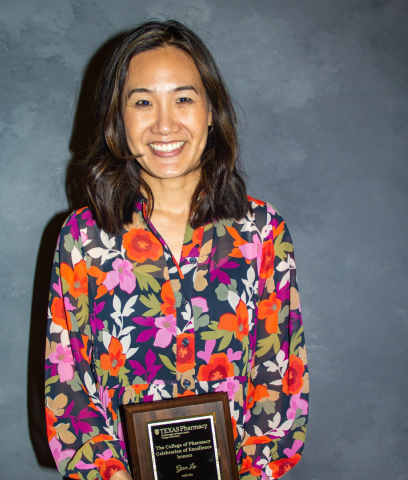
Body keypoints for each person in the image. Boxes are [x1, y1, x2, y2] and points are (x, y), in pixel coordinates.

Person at [45, 20, 308, 480]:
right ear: (118, 119)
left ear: (211, 111)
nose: (164, 124)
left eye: (183, 98)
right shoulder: (84, 239)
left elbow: (279, 376)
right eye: (142, 102)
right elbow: (67, 386)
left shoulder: (262, 233)